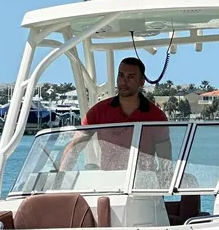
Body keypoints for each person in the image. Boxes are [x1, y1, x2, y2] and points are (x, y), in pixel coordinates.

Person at [61, 57, 172, 185]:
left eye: (130, 77)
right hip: (108, 185)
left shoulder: (156, 116)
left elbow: (165, 159)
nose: (124, 81)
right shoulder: (98, 112)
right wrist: (61, 176)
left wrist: (165, 182)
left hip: (142, 187)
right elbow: (75, 146)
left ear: (141, 82)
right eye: (121, 75)